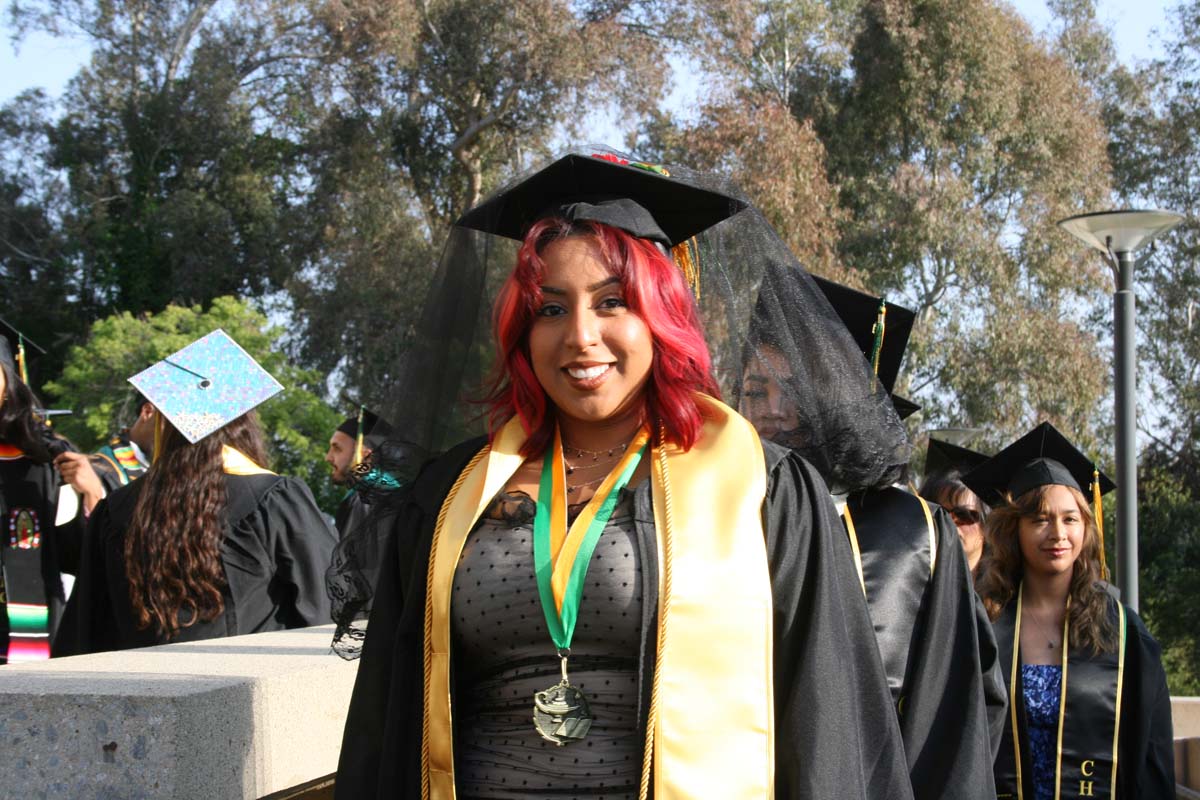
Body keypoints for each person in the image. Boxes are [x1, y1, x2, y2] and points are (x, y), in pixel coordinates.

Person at [333, 151, 913, 799]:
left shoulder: (761, 489)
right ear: (521, 329)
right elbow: (387, 718)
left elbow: (824, 722)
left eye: (613, 302)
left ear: (661, 317)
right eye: (550, 309)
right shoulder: (452, 494)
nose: (581, 335)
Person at [737, 264, 1005, 800]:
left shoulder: (917, 534)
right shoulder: (719, 505)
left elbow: (951, 725)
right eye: (752, 389)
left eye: (790, 390)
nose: (769, 410)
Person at [54, 329, 338, 655]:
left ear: (165, 425)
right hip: (248, 694)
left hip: (140, 695)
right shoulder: (273, 498)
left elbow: (87, 629)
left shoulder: (117, 509)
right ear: (244, 426)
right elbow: (329, 607)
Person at [966, 422, 1175, 799]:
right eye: (1040, 519)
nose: (1058, 533)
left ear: (1085, 528)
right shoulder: (984, 623)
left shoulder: (1123, 633)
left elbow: (1151, 758)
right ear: (1015, 529)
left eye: (1070, 519)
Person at [0, 319, 81, 663]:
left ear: (9, 381)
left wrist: (90, 495)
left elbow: (75, 550)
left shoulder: (45, 456)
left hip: (28, 620)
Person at [920, 436, 991, 575]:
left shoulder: (1007, 593)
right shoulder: (912, 590)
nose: (950, 523)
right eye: (939, 513)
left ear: (987, 523)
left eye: (963, 515)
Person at [327, 407, 394, 538]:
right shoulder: (383, 490)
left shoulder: (367, 497)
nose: (328, 457)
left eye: (337, 449)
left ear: (364, 453)